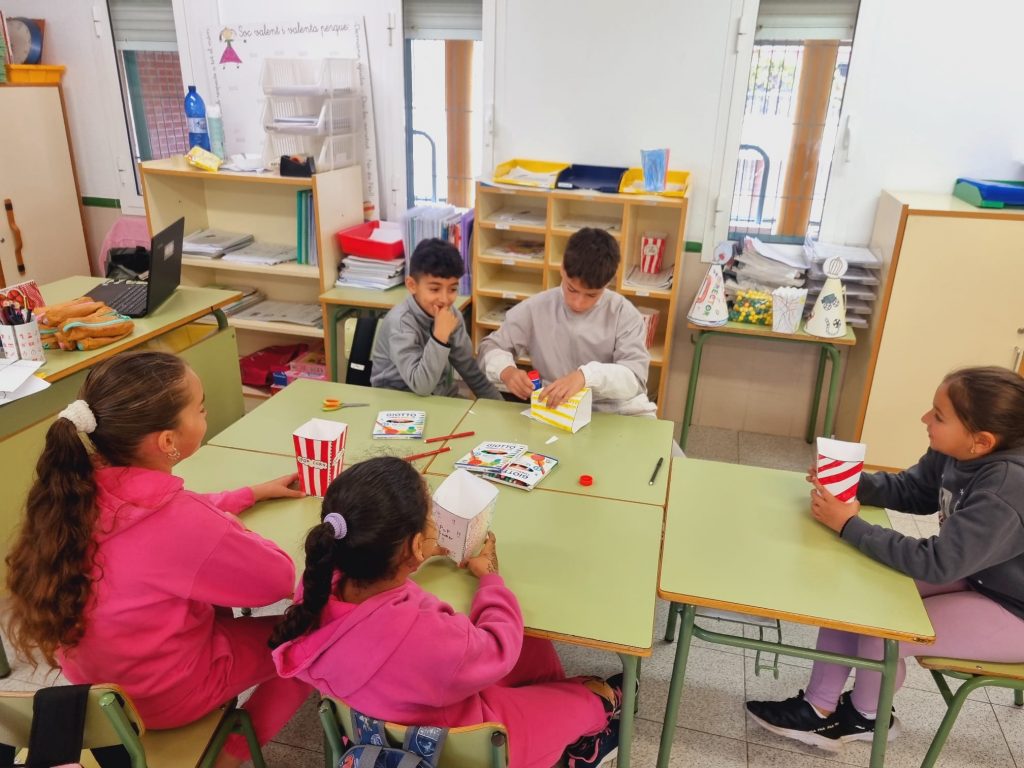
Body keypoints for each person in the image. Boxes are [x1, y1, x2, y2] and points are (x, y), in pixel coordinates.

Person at [4, 351, 311, 768]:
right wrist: (227, 523)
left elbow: (163, 522)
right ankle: (229, 756)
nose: (205, 414)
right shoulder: (179, 521)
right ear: (168, 442)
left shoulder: (74, 489)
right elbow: (278, 580)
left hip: (100, 695)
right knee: (313, 637)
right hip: (163, 698)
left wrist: (245, 495)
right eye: (200, 409)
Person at [269, 456, 623, 768]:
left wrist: (412, 560)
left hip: (387, 715)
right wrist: (491, 578)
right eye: (430, 515)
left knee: (538, 654)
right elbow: (499, 647)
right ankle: (591, 737)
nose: (434, 522)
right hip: (464, 743)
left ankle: (551, 703)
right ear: (412, 545)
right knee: (591, 696)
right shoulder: (428, 637)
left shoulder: (317, 587)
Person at [746, 366, 1024, 751]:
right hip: (978, 572)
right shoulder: (958, 452)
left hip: (1013, 608)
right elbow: (915, 490)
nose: (925, 419)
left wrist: (849, 525)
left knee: (885, 631)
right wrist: (849, 484)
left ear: (981, 441)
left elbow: (938, 563)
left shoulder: (1005, 487)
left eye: (938, 416)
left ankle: (867, 717)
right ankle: (817, 707)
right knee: (855, 593)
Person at [478, 227, 655, 415]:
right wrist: (506, 371)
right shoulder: (536, 308)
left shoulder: (624, 314)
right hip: (559, 410)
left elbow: (635, 380)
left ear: (608, 282)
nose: (578, 303)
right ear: (562, 269)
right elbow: (489, 347)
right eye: (572, 289)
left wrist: (586, 377)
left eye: (591, 295)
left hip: (615, 411)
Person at [371, 238, 502, 400]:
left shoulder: (451, 316)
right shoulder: (400, 323)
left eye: (452, 289)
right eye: (434, 289)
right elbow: (421, 386)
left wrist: (500, 407)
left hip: (438, 397)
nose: (444, 299)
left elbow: (471, 372)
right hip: (396, 399)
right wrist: (440, 336)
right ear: (412, 285)